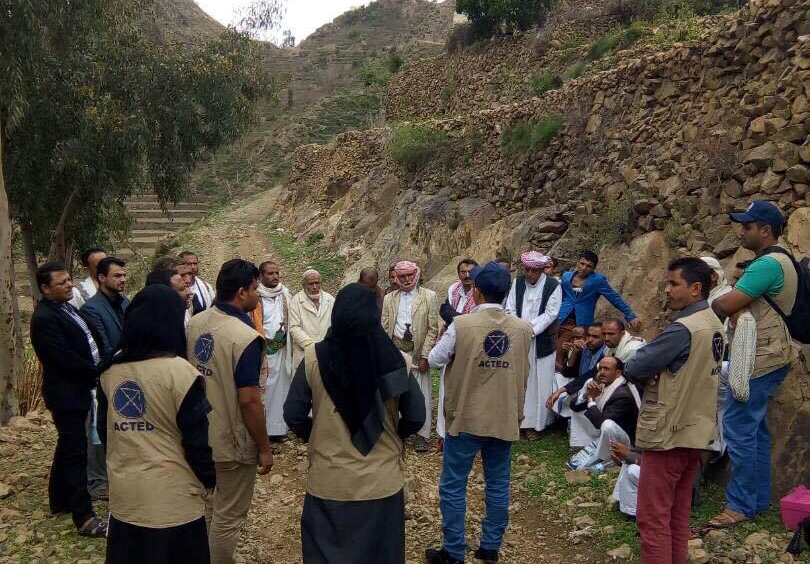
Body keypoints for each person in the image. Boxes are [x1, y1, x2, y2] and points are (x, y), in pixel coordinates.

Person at [283, 283, 426, 564]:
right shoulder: (396, 360)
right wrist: (394, 435)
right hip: (381, 482)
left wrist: (318, 434)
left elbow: (293, 414)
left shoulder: (314, 358)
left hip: (329, 480)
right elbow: (417, 416)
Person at [98, 285, 215, 564]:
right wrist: (210, 479)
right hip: (173, 500)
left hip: (126, 498)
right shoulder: (181, 373)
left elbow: (105, 433)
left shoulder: (109, 371)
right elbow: (197, 441)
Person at [425, 262, 534, 564]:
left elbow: (435, 359)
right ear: (507, 292)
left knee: (453, 485)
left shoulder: (461, 326)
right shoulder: (524, 329)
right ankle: (490, 547)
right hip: (504, 417)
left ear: (477, 291)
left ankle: (454, 551)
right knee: (498, 483)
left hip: (466, 418)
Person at [624, 257, 725, 564]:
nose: (666, 290)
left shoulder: (683, 329)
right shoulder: (714, 324)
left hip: (668, 431)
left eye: (673, 284)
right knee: (678, 515)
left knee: (653, 517)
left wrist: (652, 367)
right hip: (696, 430)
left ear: (695, 288)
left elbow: (634, 365)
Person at [709, 201, 798, 528]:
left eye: (747, 226)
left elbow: (724, 303)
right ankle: (757, 500)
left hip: (760, 356)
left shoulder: (766, 265)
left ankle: (741, 505)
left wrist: (725, 298)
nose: (741, 231)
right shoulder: (782, 260)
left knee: (739, 426)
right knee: (755, 429)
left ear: (766, 230)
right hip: (775, 353)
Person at [186, 259, 273, 564]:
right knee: (228, 515)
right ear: (240, 293)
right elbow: (249, 401)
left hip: (198, 433)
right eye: (254, 289)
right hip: (231, 441)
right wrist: (264, 447)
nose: (258, 296)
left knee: (210, 505)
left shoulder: (196, 322)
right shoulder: (245, 338)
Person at [29, 262, 107, 538]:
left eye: (69, 280)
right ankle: (84, 517)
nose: (69, 285)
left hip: (80, 388)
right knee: (76, 452)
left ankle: (59, 499)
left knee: (68, 444)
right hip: (67, 394)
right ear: (45, 288)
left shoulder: (66, 307)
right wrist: (96, 371)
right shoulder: (44, 319)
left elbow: (87, 339)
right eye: (62, 283)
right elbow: (63, 358)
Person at [381, 260, 439, 453]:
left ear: (416, 275)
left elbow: (432, 329)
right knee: (395, 393)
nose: (406, 279)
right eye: (402, 276)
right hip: (396, 352)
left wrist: (425, 356)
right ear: (396, 277)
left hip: (418, 353)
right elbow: (385, 327)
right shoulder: (390, 298)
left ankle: (422, 436)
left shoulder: (429, 296)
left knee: (421, 394)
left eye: (409, 275)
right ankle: (397, 433)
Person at [505, 251, 561, 437]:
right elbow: (510, 307)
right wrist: (518, 328)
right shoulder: (518, 282)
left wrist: (529, 330)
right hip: (519, 338)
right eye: (527, 270)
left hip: (541, 341)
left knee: (540, 382)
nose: (529, 274)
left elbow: (551, 314)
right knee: (520, 380)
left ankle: (537, 425)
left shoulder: (554, 285)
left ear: (541, 270)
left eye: (533, 271)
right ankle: (517, 422)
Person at [556, 251, 641, 371]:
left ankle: (563, 380)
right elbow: (558, 297)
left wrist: (630, 315)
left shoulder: (598, 280)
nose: (584, 268)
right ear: (577, 263)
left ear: (594, 268)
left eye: (588, 266)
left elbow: (613, 297)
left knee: (562, 350)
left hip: (581, 323)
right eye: (582, 263)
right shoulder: (566, 277)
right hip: (560, 319)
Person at [567, 356, 640, 470]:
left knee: (607, 425)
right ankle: (589, 447)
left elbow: (601, 423)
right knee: (580, 410)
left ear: (618, 373)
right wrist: (586, 395)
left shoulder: (622, 394)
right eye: (600, 369)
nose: (601, 372)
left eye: (606, 369)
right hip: (606, 436)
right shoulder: (601, 385)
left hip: (627, 442)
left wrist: (591, 398)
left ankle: (609, 458)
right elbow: (574, 406)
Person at [250, 261, 294, 443]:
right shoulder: (255, 297)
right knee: (265, 390)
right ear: (260, 277)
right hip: (263, 350)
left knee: (282, 388)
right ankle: (263, 431)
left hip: (283, 348)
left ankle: (278, 429)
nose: (275, 276)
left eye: (277, 272)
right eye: (270, 273)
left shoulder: (285, 294)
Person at [435, 259, 478, 443]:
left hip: (470, 345)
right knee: (446, 389)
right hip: (451, 343)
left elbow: (474, 318)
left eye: (470, 272)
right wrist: (460, 319)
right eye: (463, 272)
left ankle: (464, 434)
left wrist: (454, 318)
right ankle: (444, 434)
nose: (467, 275)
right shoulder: (453, 289)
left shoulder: (480, 292)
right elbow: (443, 309)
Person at [80, 257, 130, 359]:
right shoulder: (90, 309)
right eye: (117, 276)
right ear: (102, 278)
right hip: (113, 367)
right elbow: (104, 349)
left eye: (124, 275)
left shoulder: (125, 301)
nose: (123, 279)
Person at [289, 269, 336, 371]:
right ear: (304, 285)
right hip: (305, 354)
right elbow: (294, 328)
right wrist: (312, 347)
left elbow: (335, 324)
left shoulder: (330, 299)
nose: (314, 287)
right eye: (311, 284)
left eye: (317, 283)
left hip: (327, 352)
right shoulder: (296, 301)